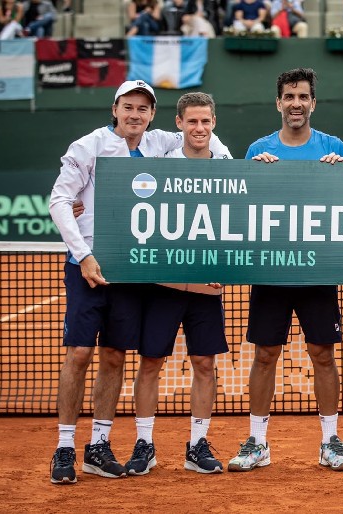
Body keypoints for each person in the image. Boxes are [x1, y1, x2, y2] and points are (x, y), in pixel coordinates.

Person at [48, 79, 230, 485]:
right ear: (115, 109)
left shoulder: (158, 142)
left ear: (152, 115)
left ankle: (98, 447)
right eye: (128, 107)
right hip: (88, 265)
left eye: (143, 109)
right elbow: (59, 201)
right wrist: (84, 255)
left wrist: (229, 160)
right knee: (79, 353)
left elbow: (205, 139)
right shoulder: (88, 146)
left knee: (114, 356)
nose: (135, 115)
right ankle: (64, 446)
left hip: (132, 270)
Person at [226, 68, 343, 473]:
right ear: (278, 103)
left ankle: (330, 442)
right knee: (265, 354)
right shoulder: (258, 149)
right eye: (289, 96)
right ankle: (257, 443)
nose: (295, 103)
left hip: (318, 271)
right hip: (272, 271)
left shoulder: (333, 146)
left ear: (312, 103)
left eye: (302, 97)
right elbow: (245, 207)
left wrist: (340, 171)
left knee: (323, 354)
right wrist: (256, 173)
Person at [123, 92, 231, 477]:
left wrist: (223, 265)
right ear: (179, 123)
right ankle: (144, 444)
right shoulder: (161, 164)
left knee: (204, 363)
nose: (199, 128)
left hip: (207, 287)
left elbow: (237, 222)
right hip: (163, 286)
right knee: (151, 361)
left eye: (205, 121)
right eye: (192, 121)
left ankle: (197, 445)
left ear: (213, 123)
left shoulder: (227, 166)